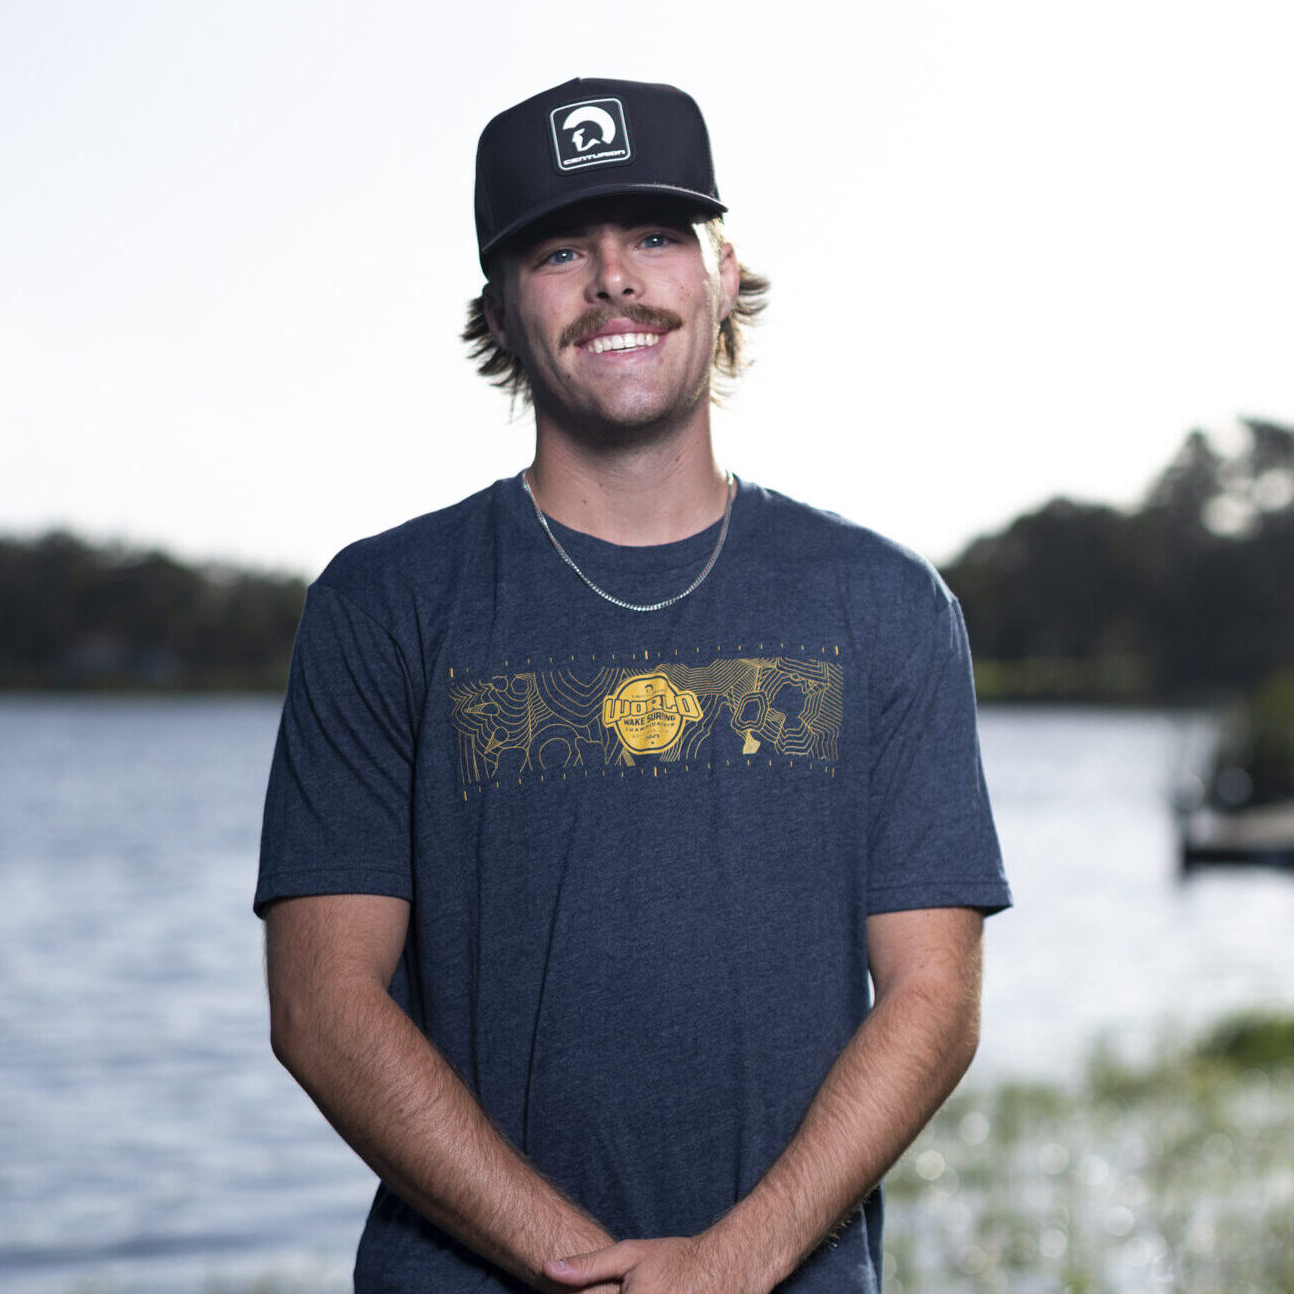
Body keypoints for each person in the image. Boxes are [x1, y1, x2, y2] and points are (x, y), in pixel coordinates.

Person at [256, 76, 1012, 1294]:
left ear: (721, 274)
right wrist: (582, 1271)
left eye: (657, 235)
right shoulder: (381, 602)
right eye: (559, 250)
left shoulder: (881, 603)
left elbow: (933, 1000)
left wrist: (734, 1261)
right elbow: (322, 1004)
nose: (614, 278)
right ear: (500, 310)